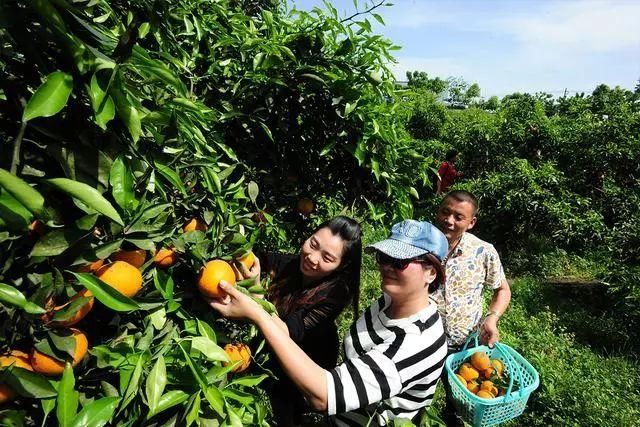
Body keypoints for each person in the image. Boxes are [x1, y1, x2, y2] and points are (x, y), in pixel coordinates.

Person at [212, 220, 449, 426]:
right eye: (385, 257)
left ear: (431, 273)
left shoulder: (414, 343)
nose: (387, 267)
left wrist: (257, 311)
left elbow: (323, 396)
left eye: (400, 262)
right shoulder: (390, 300)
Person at [236, 216, 362, 426]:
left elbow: (285, 332)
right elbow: (257, 258)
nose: (312, 258)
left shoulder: (334, 294)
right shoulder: (294, 265)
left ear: (341, 266)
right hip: (272, 355)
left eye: (327, 258)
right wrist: (239, 246)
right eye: (313, 244)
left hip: (305, 365)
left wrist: (257, 297)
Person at [430, 190, 511, 425]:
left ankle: (453, 415)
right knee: (413, 396)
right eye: (445, 212)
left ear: (471, 222)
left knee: (460, 403)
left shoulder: (483, 252)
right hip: (422, 339)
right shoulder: (421, 245)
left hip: (463, 344)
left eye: (458, 216)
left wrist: (492, 318)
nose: (449, 220)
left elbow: (503, 289)